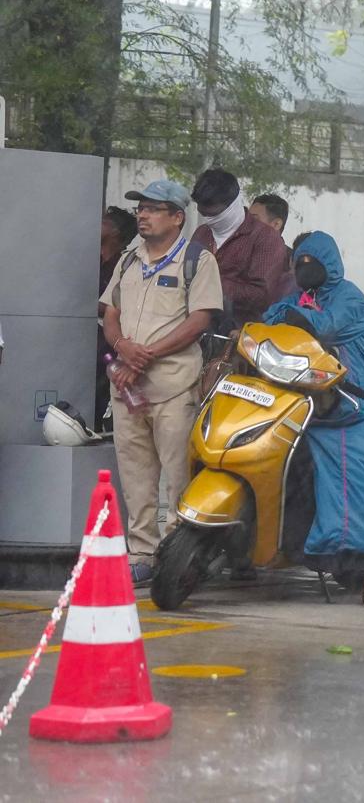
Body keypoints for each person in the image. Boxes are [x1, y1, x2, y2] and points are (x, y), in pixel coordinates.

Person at [100, 180, 223, 584]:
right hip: (127, 387)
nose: (142, 215)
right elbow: (109, 310)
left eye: (153, 209)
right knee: (135, 475)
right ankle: (141, 554)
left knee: (178, 477)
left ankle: (176, 556)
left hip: (173, 386)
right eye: (141, 209)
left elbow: (200, 320)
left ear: (177, 217)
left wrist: (145, 354)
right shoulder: (129, 259)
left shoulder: (196, 259)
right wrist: (121, 346)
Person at [261, 231, 364, 609]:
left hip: (355, 408)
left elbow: (324, 326)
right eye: (298, 263)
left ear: (329, 264)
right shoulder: (299, 298)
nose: (304, 269)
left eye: (311, 262)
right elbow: (270, 321)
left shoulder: (349, 296)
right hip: (313, 410)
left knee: (360, 486)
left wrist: (289, 313)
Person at [191, 168, 291, 328]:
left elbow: (261, 295)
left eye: (214, 213)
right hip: (194, 329)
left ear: (232, 204)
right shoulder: (201, 234)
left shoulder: (265, 238)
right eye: (203, 213)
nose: (208, 219)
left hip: (239, 338)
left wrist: (210, 283)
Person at [97, 207, 138, 429]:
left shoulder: (125, 265)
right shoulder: (89, 259)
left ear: (114, 232)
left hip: (110, 343)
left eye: (102, 221)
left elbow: (119, 305)